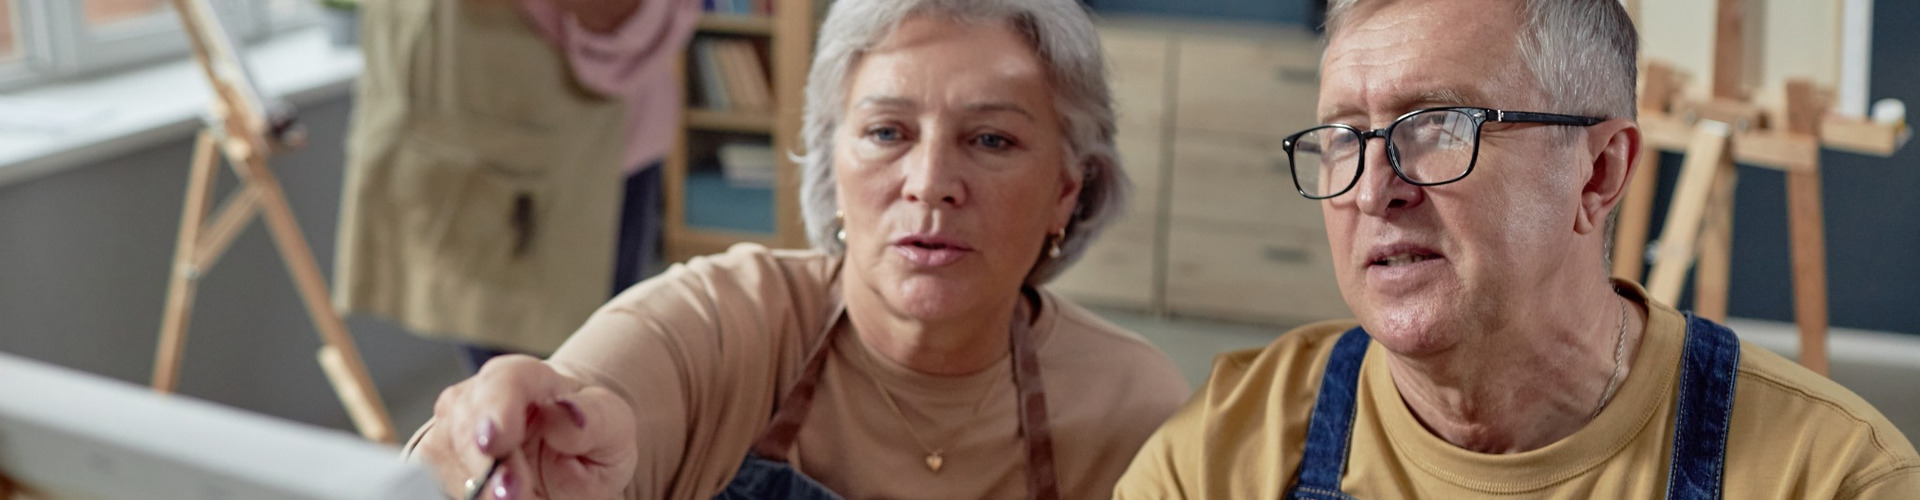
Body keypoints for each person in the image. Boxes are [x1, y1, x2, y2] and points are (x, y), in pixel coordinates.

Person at [1114, 0, 1920, 497]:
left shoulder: (1828, 477)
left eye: (1437, 126)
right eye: (1343, 137)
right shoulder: (1226, 449)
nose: (1370, 190)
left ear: (1598, 172)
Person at [405, 0, 1193, 498]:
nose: (929, 183)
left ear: (1066, 190)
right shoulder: (718, 322)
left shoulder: (1139, 407)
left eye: (991, 139)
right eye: (887, 132)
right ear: (830, 161)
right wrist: (516, 446)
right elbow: (580, 403)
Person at [332, 0, 699, 371]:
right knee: (501, 383)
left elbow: (620, 21)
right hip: (440, 138)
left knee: (582, 378)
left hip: (563, 163)